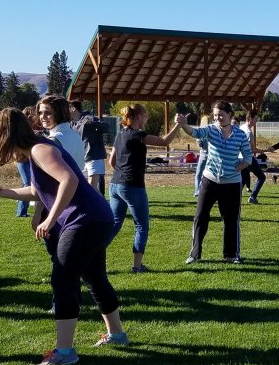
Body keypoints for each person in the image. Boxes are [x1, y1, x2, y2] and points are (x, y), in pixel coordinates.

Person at [0, 108, 129, 365]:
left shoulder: (40, 149)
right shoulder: (36, 151)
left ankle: (64, 352)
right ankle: (116, 335)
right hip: (95, 217)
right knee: (94, 277)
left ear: (6, 133)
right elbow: (39, 190)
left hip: (85, 219)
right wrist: (1, 192)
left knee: (63, 279)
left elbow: (68, 180)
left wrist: (50, 219)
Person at [107, 103, 182, 273]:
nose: (147, 118)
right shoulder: (138, 135)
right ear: (139, 116)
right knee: (142, 226)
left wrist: (121, 173)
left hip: (115, 184)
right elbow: (164, 142)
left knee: (115, 223)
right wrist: (179, 124)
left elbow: (112, 161)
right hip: (132, 186)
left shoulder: (119, 134)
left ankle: (91, 256)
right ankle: (137, 266)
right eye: (146, 115)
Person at [175, 102, 252, 264]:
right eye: (215, 114)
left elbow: (248, 157)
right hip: (209, 181)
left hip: (232, 184)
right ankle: (194, 254)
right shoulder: (210, 129)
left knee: (231, 220)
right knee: (200, 217)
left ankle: (231, 254)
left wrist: (237, 168)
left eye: (221, 114)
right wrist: (183, 125)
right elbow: (195, 132)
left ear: (230, 115)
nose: (217, 117)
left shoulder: (240, 134)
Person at [38, 96, 86, 168]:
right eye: (40, 112)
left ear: (59, 113)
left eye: (48, 113)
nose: (43, 116)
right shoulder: (75, 134)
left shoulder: (54, 140)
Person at [70, 105, 108, 193]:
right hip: (81, 159)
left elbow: (106, 127)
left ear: (73, 108)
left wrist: (92, 123)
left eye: (66, 108)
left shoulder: (89, 118)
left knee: (92, 186)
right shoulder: (72, 123)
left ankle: (102, 206)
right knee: (85, 188)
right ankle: (99, 205)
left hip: (94, 157)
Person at [14, 107, 39, 218]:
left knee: (27, 182)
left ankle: (22, 209)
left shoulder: (32, 129)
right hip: (22, 159)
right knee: (27, 183)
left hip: (27, 159)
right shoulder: (22, 131)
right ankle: (21, 211)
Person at [239, 111, 267, 204]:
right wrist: (266, 150)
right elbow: (252, 149)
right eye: (255, 119)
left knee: (242, 180)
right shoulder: (248, 132)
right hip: (248, 158)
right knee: (261, 177)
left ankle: (234, 197)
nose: (256, 121)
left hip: (240, 158)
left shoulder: (241, 127)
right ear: (250, 118)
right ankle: (253, 197)